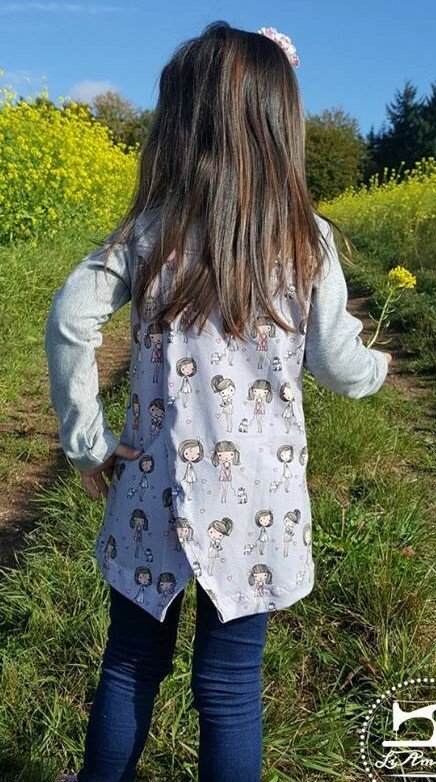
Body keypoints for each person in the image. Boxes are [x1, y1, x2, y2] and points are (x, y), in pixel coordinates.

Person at [45, 21, 392, 782]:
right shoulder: (307, 240)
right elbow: (337, 366)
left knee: (131, 663)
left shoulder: (150, 231)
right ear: (281, 126)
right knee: (230, 687)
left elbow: (70, 320)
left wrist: (88, 443)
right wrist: (377, 367)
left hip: (154, 490)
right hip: (258, 501)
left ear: (178, 127)